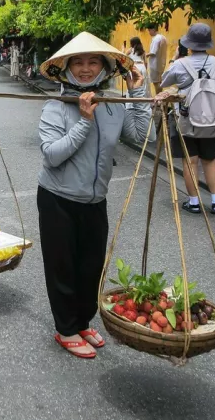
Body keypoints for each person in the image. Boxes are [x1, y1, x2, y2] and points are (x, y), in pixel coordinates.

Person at [35, 32, 150, 359]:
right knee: (63, 268)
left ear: (105, 66)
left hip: (95, 200)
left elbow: (142, 136)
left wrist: (138, 91)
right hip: (58, 198)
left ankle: (83, 321)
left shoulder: (112, 104)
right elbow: (52, 155)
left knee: (90, 267)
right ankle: (65, 329)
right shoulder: (56, 106)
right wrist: (84, 122)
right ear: (67, 68)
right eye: (78, 62)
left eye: (93, 61)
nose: (86, 69)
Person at [155, 23, 215, 215]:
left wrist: (174, 60)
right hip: (213, 120)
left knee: (190, 161)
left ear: (188, 44)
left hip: (186, 119)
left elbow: (163, 82)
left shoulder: (181, 64)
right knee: (210, 159)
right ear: (208, 43)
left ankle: (194, 202)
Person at [146, 24, 168, 95]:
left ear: (153, 29)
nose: (149, 32)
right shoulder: (163, 37)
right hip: (161, 63)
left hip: (155, 64)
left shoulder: (156, 39)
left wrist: (144, 55)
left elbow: (153, 52)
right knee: (160, 81)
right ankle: (160, 98)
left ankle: (158, 98)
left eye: (149, 30)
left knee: (156, 83)